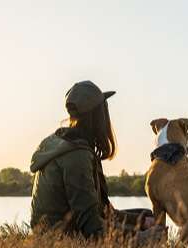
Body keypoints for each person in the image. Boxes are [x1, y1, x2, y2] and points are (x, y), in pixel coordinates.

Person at [29, 80, 160, 239]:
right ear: (98, 115)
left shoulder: (64, 143)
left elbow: (102, 211)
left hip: (57, 232)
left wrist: (141, 222)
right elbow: (92, 227)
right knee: (156, 235)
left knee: (146, 216)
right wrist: (140, 235)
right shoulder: (77, 156)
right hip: (62, 239)